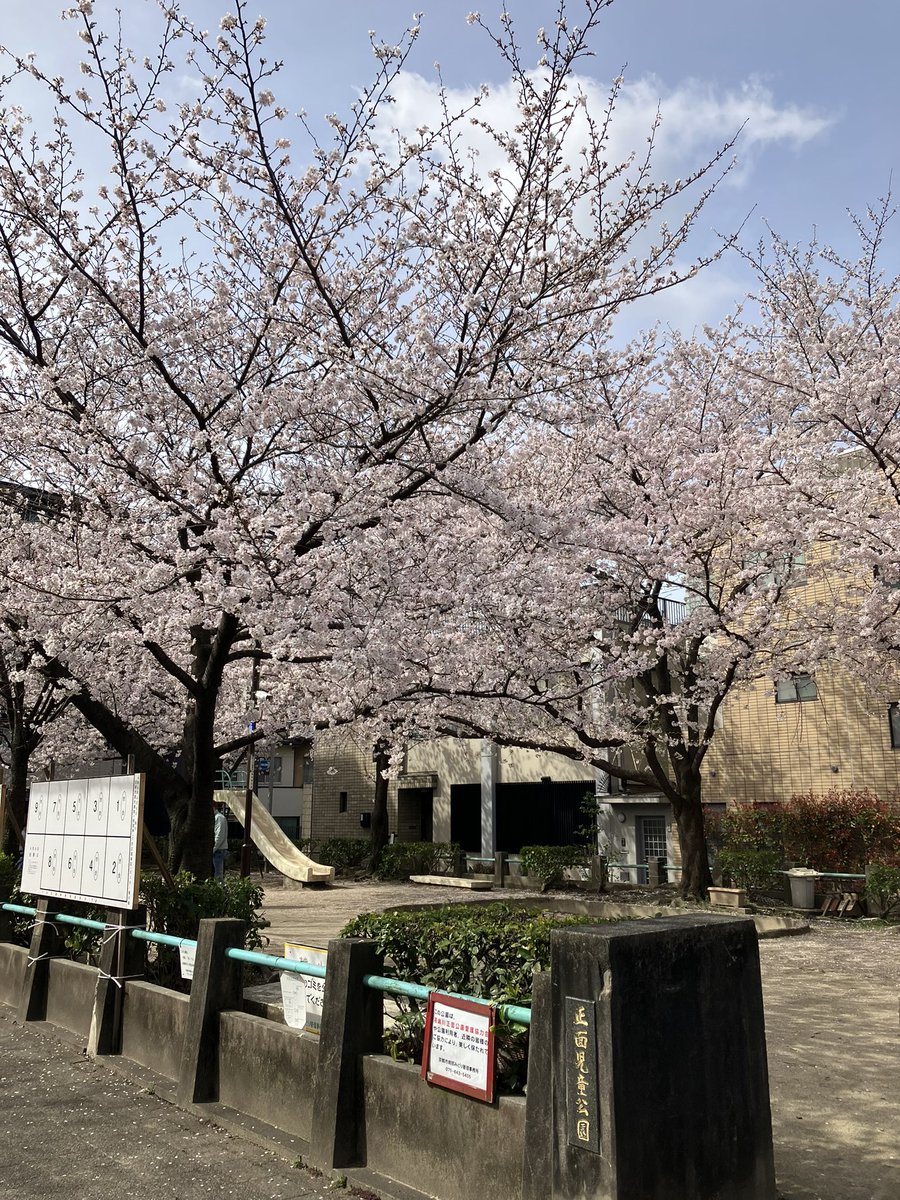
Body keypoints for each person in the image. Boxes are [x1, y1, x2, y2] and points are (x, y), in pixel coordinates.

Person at [213, 803, 229, 880]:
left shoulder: (219, 818)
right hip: (216, 850)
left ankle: (220, 891)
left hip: (218, 850)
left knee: (218, 875)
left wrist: (213, 849)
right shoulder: (215, 817)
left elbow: (219, 836)